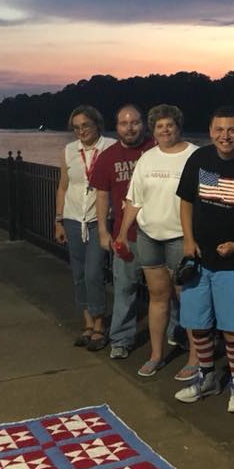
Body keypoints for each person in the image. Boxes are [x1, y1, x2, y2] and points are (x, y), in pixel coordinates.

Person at [175, 106, 234, 412]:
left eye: (232, 130)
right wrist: (189, 239)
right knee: (198, 325)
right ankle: (207, 375)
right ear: (210, 131)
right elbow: (186, 202)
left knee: (233, 329)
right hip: (199, 259)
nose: (226, 136)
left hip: (233, 261)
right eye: (219, 130)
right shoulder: (200, 159)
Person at [114, 104, 199, 378]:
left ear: (178, 126)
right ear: (154, 130)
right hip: (149, 235)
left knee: (187, 297)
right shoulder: (147, 158)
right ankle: (156, 354)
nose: (165, 130)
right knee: (158, 296)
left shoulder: (195, 155)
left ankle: (196, 358)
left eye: (169, 125)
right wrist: (122, 233)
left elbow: (210, 193)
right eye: (159, 126)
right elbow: (134, 199)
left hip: (180, 238)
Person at [91, 104, 155, 360]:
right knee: (124, 290)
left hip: (157, 235)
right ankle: (121, 339)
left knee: (166, 291)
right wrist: (103, 231)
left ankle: (176, 334)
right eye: (124, 123)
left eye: (135, 122)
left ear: (144, 124)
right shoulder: (108, 157)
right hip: (125, 236)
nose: (130, 128)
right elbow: (102, 196)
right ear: (116, 127)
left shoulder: (156, 150)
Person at [55, 105, 116, 351]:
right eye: (76, 127)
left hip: (98, 219)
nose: (81, 131)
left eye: (85, 125)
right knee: (78, 274)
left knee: (93, 273)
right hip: (72, 218)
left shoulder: (110, 147)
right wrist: (58, 220)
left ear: (97, 125)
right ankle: (88, 323)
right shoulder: (69, 150)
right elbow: (63, 186)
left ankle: (100, 324)